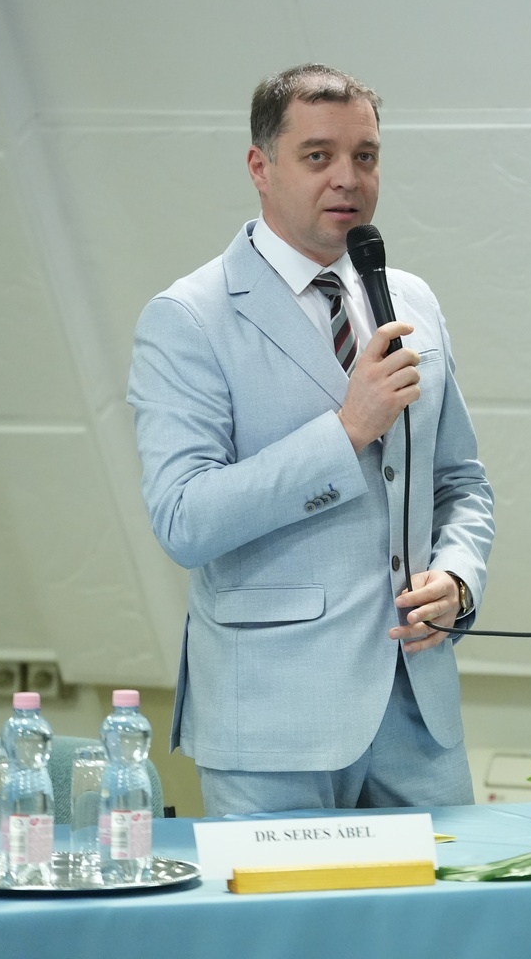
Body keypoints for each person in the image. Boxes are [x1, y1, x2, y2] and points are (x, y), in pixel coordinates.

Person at [128, 64, 494, 815]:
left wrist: (459, 580)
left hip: (418, 717)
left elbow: (460, 483)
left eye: (365, 156)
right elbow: (184, 519)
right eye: (318, 156)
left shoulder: (412, 299)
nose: (347, 178)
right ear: (260, 167)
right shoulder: (187, 317)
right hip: (272, 722)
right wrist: (346, 431)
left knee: (453, 901)